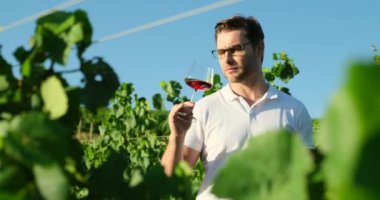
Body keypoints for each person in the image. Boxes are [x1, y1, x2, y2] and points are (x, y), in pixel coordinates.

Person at [161, 15, 315, 199]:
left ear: (259, 48)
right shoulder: (204, 108)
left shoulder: (294, 110)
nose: (227, 59)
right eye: (221, 52)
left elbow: (310, 181)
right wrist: (177, 136)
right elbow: (169, 181)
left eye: (235, 49)